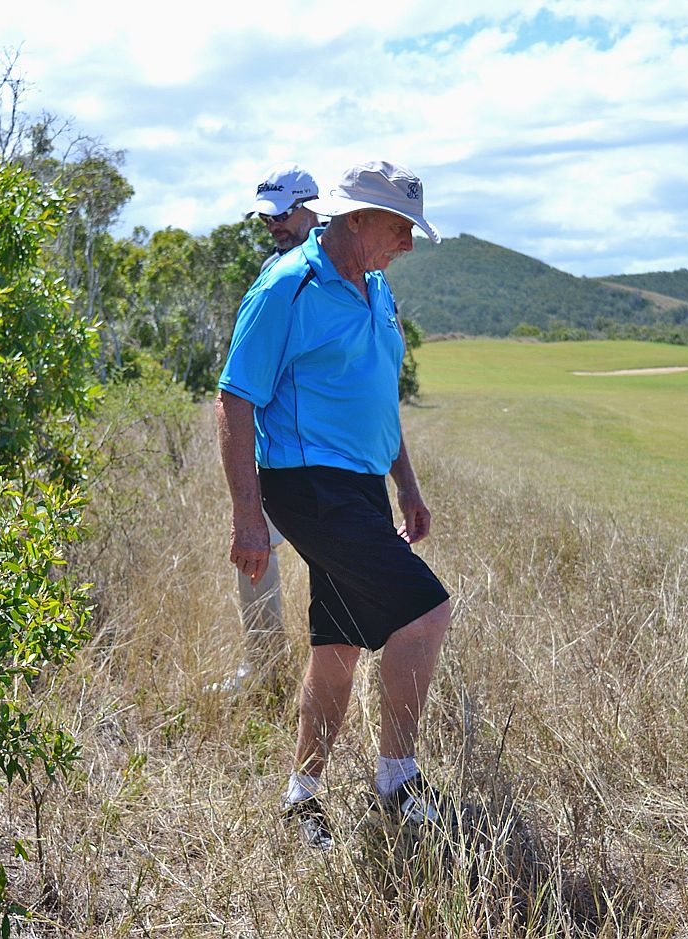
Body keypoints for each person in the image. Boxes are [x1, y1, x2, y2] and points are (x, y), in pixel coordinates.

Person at [216, 160, 453, 850]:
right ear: (355, 219)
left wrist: (405, 484)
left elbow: (379, 396)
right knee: (424, 609)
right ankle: (396, 779)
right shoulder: (287, 287)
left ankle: (302, 794)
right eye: (399, 226)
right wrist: (247, 515)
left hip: (360, 486)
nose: (408, 242)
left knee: (339, 642)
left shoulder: (375, 289)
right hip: (305, 482)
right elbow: (234, 397)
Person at [213, 163, 323, 695]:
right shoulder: (275, 267)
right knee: (253, 553)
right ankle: (265, 668)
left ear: (311, 206)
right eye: (267, 218)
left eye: (283, 215)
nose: (274, 225)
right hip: (275, 451)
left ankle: (324, 673)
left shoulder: (330, 267)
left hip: (322, 457)